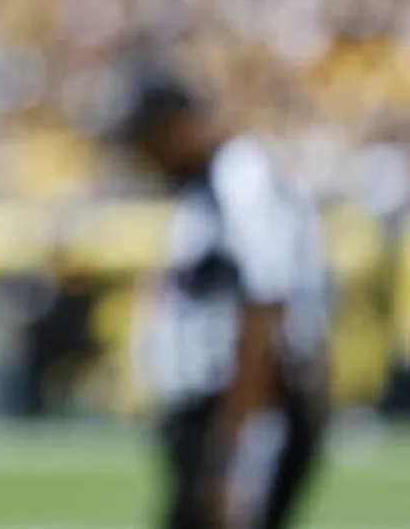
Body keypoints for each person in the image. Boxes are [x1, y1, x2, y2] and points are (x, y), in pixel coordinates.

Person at [115, 73, 331, 529]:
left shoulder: (240, 177)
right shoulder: (205, 187)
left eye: (148, 141)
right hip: (222, 414)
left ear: (178, 126)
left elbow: (265, 305)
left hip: (247, 412)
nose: (144, 158)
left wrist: (230, 452)